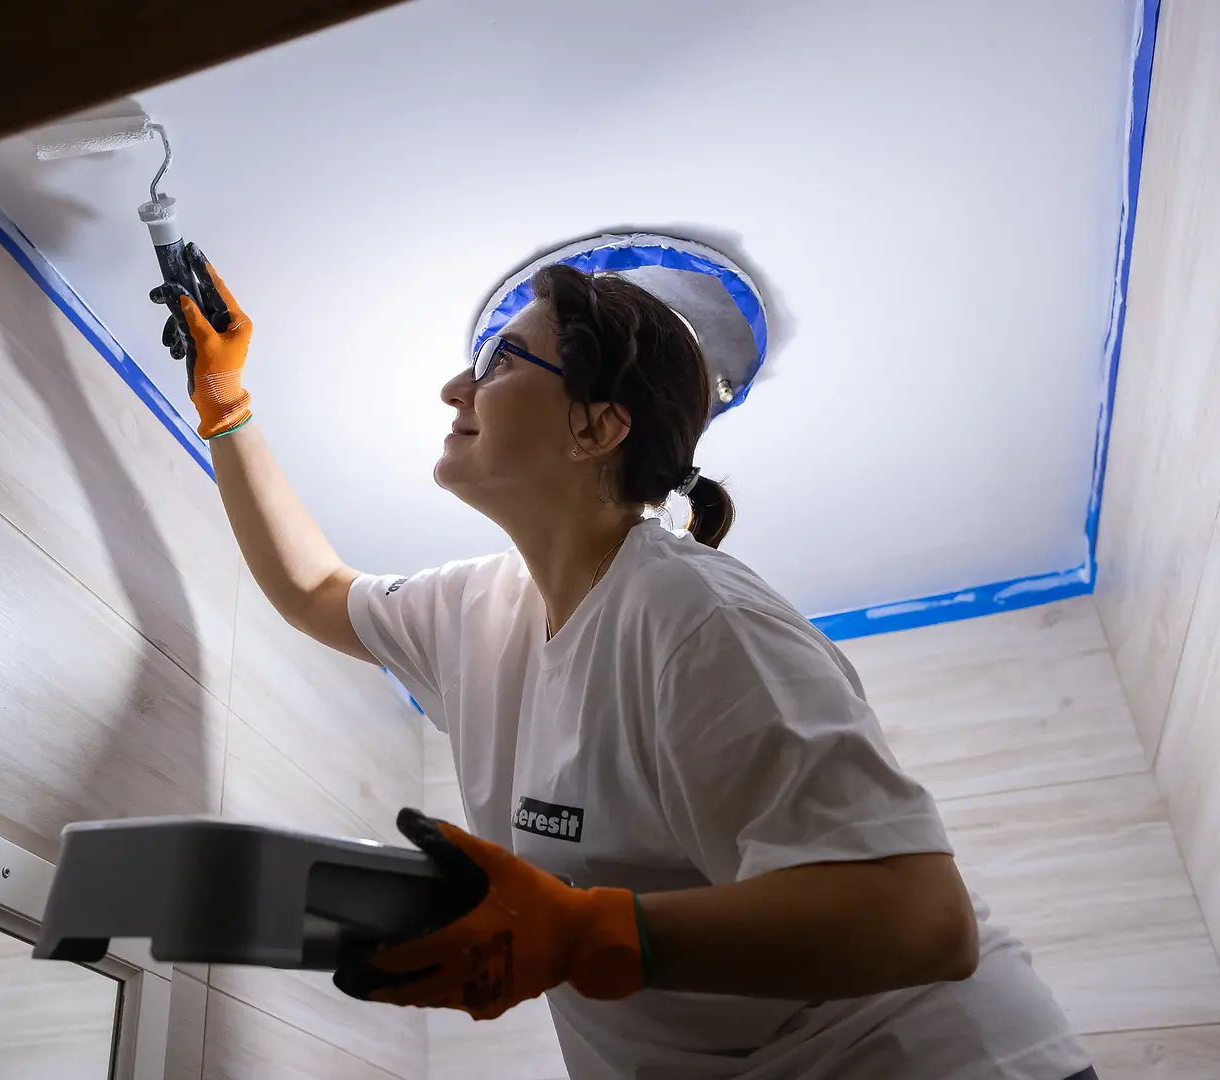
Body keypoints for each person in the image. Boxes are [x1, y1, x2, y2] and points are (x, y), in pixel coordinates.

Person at [153, 247, 1095, 1079]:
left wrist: (582, 932)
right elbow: (313, 589)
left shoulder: (696, 616)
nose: (455, 391)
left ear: (597, 429)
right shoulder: (479, 610)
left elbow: (921, 918)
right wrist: (227, 408)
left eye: (496, 363)